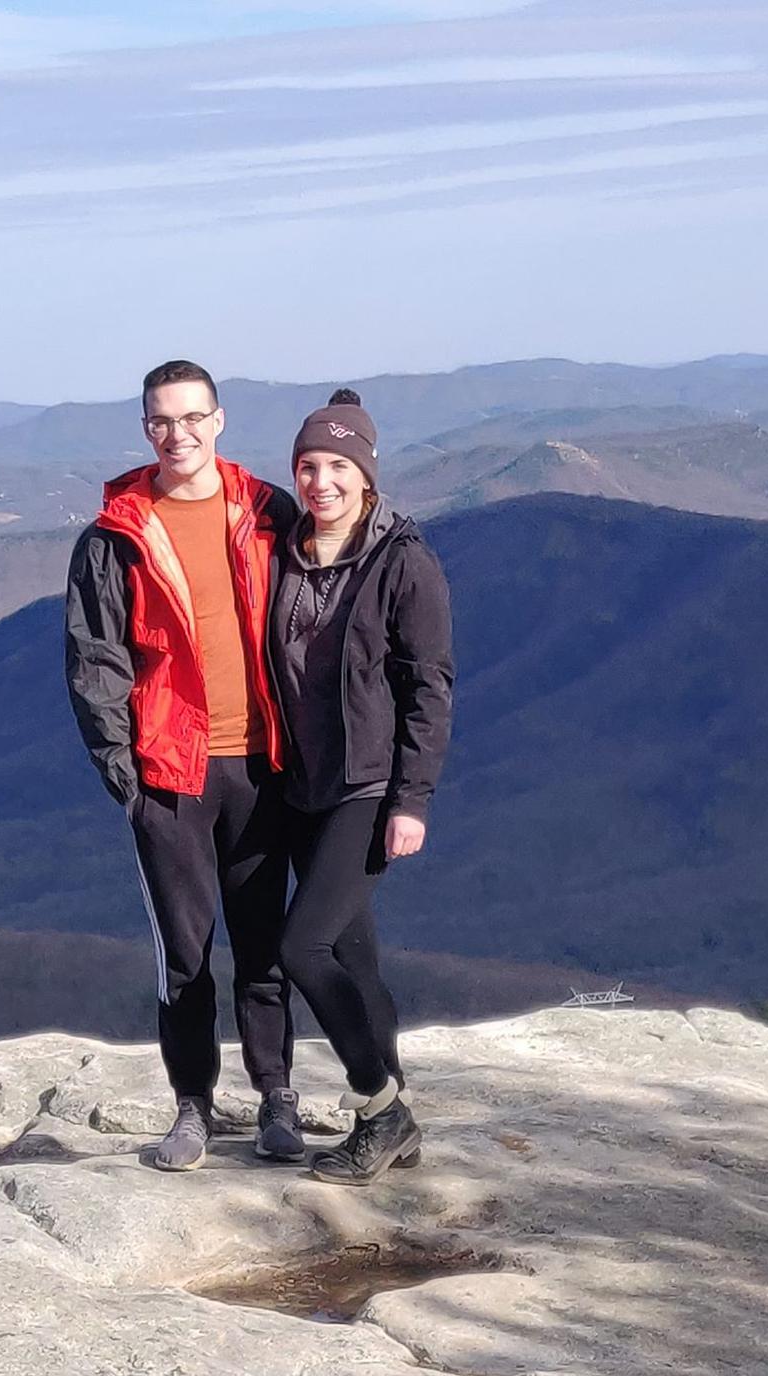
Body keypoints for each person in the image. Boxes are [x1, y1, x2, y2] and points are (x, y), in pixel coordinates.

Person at [64, 359, 304, 1172]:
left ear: (220, 420)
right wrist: (123, 773)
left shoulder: (268, 511)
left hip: (263, 763)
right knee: (186, 953)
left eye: (192, 417)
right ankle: (193, 1107)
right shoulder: (115, 535)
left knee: (264, 944)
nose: (179, 434)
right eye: (163, 421)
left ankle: (277, 1099)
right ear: (145, 429)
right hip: (170, 772)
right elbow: (95, 659)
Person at [268, 388, 454, 1186]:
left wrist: (412, 800)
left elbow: (430, 686)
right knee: (354, 954)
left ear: (367, 476)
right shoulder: (285, 550)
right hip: (300, 785)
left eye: (339, 465)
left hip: (367, 786)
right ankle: (395, 1102)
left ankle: (379, 1107)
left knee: (300, 946)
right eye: (309, 465)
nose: (322, 481)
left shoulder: (402, 561)